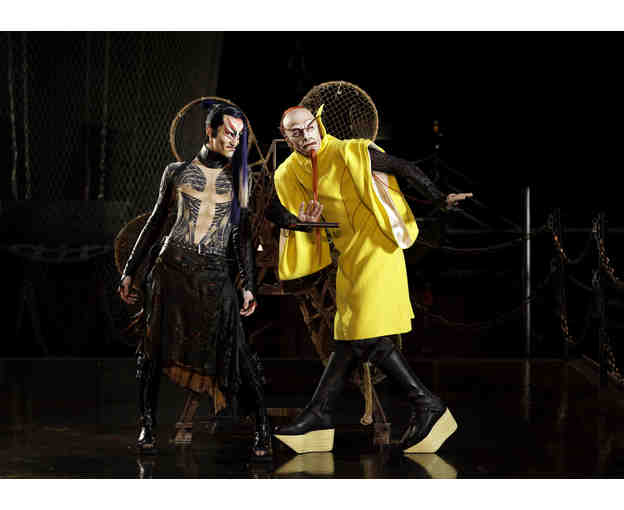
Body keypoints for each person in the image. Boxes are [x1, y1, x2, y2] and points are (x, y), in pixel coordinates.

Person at [266, 104, 472, 454]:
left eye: (310, 127)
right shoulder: (288, 172)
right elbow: (275, 209)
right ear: (286, 138)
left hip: (377, 248)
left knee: (362, 333)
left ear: (318, 124)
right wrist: (297, 221)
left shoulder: (350, 151)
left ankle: (426, 405)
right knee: (349, 336)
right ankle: (320, 415)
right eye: (296, 133)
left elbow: (401, 167)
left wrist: (439, 198)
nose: (306, 135)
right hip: (348, 256)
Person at [118, 103, 270, 459]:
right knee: (152, 350)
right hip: (171, 270)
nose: (234, 140)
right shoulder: (176, 172)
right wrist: (130, 270)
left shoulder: (240, 179)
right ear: (209, 131)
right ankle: (148, 426)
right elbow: (156, 222)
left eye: (239, 135)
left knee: (239, 353)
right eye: (229, 132)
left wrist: (248, 283)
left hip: (214, 274)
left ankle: (262, 425)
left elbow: (242, 237)